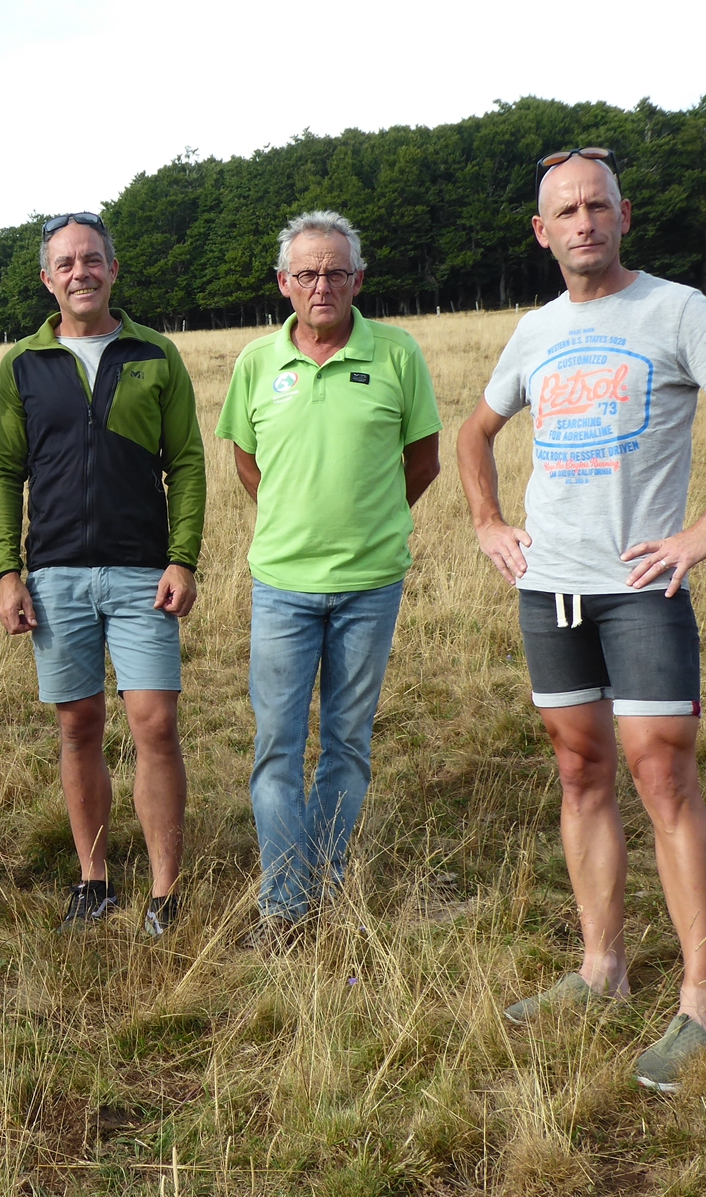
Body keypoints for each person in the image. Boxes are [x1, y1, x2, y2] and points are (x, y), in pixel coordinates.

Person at [456, 148, 706, 1091]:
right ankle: (600, 970)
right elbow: (475, 432)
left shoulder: (677, 309)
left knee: (664, 774)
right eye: (565, 210)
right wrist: (488, 521)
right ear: (542, 231)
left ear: (623, 214)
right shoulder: (531, 331)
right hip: (549, 590)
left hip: (643, 589)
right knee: (579, 770)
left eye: (597, 206)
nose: (583, 222)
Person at [215, 211, 441, 940]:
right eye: (306, 273)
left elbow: (423, 460)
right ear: (284, 283)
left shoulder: (399, 355)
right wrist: (298, 523)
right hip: (282, 584)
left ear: (358, 280)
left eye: (335, 272)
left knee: (346, 742)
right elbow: (249, 465)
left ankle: (324, 880)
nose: (321, 285)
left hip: (371, 585)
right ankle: (285, 906)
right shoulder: (256, 362)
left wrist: (368, 525)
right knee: (277, 746)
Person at [0, 212, 205, 936]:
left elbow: (189, 464)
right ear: (48, 280)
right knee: (78, 725)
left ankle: (165, 890)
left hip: (144, 571)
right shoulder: (22, 365)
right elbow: (3, 473)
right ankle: (93, 878)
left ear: (113, 269)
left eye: (92, 260)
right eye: (66, 263)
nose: (81, 273)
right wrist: (8, 572)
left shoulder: (155, 355)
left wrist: (183, 556)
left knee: (155, 724)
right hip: (55, 578)